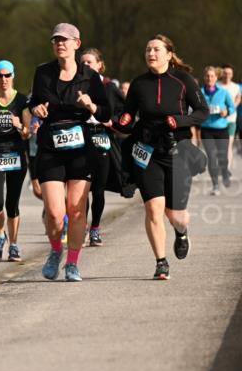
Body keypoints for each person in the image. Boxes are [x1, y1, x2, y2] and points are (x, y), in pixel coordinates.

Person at [114, 34, 208, 280]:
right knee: (153, 208)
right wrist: (123, 120)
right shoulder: (138, 84)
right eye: (148, 50)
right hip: (147, 151)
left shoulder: (183, 80)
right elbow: (127, 116)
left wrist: (180, 121)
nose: (151, 54)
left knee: (175, 214)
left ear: (169, 54)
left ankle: (181, 232)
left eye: (156, 49)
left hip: (177, 149)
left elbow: (202, 112)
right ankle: (161, 262)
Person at [29, 23, 110, 282]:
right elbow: (33, 102)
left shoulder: (90, 77)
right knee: (55, 212)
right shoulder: (43, 72)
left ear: (77, 43)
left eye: (64, 40)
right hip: (51, 146)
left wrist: (92, 106)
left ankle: (72, 263)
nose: (60, 44)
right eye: (56, 40)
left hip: (81, 148)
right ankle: (56, 250)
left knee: (76, 209)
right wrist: (35, 110)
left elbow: (106, 112)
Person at [0, 60, 30, 262]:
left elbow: (27, 133)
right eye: (0, 75)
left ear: (13, 76)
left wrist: (19, 126)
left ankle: (14, 245)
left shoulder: (21, 101)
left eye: (7, 75)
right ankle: (1, 235)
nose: (4, 79)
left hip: (16, 155)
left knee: (12, 204)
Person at [79, 48, 124, 247]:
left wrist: (111, 122)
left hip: (102, 138)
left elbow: (125, 114)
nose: (85, 66)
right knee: (81, 189)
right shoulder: (75, 85)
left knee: (98, 189)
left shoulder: (109, 87)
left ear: (99, 65)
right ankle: (81, 228)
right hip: (81, 139)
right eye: (82, 63)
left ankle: (95, 228)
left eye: (89, 62)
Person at [199, 66, 235, 194]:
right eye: (207, 76)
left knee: (222, 157)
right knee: (211, 157)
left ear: (216, 77)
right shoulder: (199, 93)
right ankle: (215, 185)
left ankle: (224, 173)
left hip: (221, 129)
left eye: (212, 76)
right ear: (204, 77)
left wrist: (227, 112)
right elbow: (193, 108)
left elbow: (232, 107)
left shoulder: (223, 92)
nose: (210, 78)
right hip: (206, 130)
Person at [221, 64, 241, 165]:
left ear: (232, 74)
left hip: (231, 120)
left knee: (228, 145)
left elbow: (238, 100)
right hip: (218, 121)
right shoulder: (217, 86)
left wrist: (229, 110)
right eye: (225, 73)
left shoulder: (236, 87)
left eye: (229, 73)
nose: (227, 75)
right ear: (222, 74)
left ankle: (227, 169)